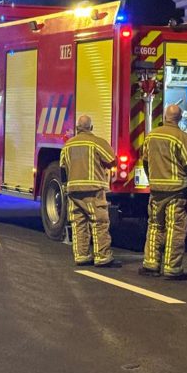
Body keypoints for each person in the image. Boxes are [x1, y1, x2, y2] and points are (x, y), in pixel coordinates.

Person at [139, 103, 187, 281]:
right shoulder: (182, 138)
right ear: (180, 119)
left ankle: (150, 264)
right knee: (174, 229)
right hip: (177, 192)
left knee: (155, 226)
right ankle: (172, 268)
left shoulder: (151, 136)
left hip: (156, 191)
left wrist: (152, 180)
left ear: (164, 117)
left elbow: (146, 162)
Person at [59, 114, 118, 267]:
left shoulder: (68, 145)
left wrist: (66, 187)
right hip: (93, 191)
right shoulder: (97, 143)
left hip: (73, 190)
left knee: (79, 223)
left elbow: (62, 169)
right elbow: (112, 161)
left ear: (77, 128)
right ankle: (103, 257)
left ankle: (81, 256)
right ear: (91, 128)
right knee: (99, 222)